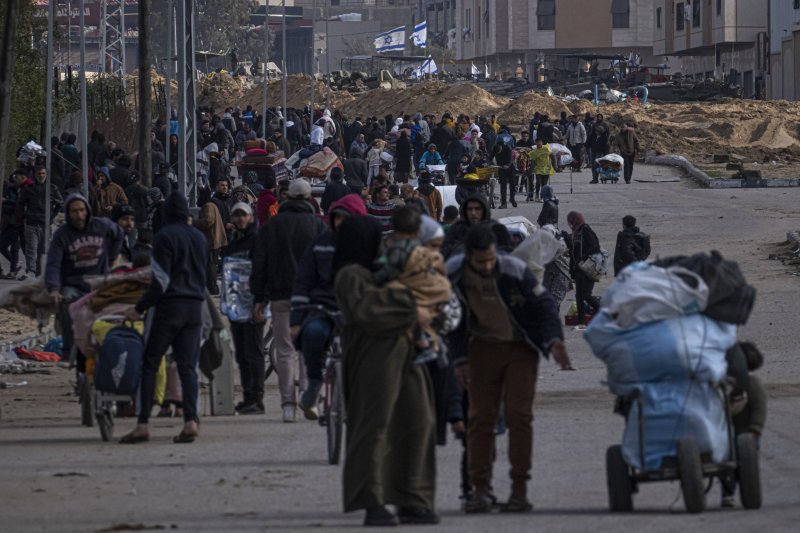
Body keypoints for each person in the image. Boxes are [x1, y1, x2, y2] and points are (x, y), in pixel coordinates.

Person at [447, 224, 571, 513]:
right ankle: (479, 490)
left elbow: (543, 306)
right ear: (467, 256)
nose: (488, 266)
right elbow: (450, 320)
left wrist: (554, 341)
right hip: (481, 349)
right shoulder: (453, 272)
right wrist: (459, 359)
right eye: (481, 262)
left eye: (491, 259)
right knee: (480, 419)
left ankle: (519, 489)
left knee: (519, 416)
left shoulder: (514, 269)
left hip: (520, 349)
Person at [334, 216, 440, 526]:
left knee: (418, 420)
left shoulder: (379, 271)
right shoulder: (349, 274)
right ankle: (372, 500)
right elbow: (369, 310)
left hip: (403, 347)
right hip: (372, 353)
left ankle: (412, 498)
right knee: (374, 425)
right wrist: (411, 306)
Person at [121, 193, 207, 444]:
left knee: (150, 362)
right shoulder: (200, 238)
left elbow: (160, 281)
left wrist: (139, 307)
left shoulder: (165, 237)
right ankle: (190, 421)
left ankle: (143, 423)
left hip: (170, 307)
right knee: (188, 366)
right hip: (195, 307)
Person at [251, 179, 326, 422]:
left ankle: (288, 406)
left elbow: (260, 263)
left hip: (280, 294)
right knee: (308, 348)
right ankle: (308, 396)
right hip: (311, 297)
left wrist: (259, 297)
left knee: (285, 350)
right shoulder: (317, 226)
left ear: (287, 198)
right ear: (307, 199)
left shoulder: (272, 226)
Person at [293, 194, 367, 420]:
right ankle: (315, 383)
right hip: (323, 308)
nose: (340, 223)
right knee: (313, 335)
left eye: (345, 219)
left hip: (356, 310)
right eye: (337, 218)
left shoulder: (366, 246)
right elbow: (303, 280)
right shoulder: (320, 245)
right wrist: (296, 320)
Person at [45, 193, 124, 381]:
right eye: (74, 211)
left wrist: (111, 258)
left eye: (81, 210)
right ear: (68, 213)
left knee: (115, 317)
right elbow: (53, 263)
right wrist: (54, 289)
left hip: (99, 284)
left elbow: (119, 234)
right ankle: (67, 349)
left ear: (87, 210)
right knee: (66, 306)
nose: (78, 215)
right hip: (74, 285)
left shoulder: (101, 225)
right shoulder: (62, 235)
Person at [373, 207, 452, 366]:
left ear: (394, 229)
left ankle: (424, 345)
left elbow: (389, 270)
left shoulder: (398, 249)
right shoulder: (424, 249)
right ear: (418, 231)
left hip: (410, 295)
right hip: (433, 297)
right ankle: (434, 346)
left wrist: (375, 278)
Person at [224, 202, 265, 415]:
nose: (240, 219)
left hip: (253, 305)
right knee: (241, 353)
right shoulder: (233, 244)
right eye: (236, 215)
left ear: (250, 217)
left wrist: (260, 301)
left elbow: (262, 271)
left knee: (254, 352)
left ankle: (257, 398)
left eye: (243, 215)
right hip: (235, 305)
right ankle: (248, 396)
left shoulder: (257, 241)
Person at [16, 166, 64, 279]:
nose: (41, 176)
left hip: (45, 224)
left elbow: (60, 204)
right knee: (31, 249)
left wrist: (51, 216)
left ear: (46, 174)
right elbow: (20, 203)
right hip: (31, 223)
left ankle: (40, 272)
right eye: (39, 173)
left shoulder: (52, 188)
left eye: (43, 173)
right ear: (35, 174)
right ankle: (31, 270)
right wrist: (23, 216)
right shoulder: (28, 188)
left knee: (43, 250)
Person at [441, 193, 510, 259]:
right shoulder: (458, 228)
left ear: (484, 210)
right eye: (470, 209)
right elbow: (445, 251)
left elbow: (507, 253)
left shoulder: (497, 229)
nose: (473, 213)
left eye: (477, 209)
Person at [567, 211, 601, 326]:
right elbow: (573, 252)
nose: (570, 223)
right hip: (578, 270)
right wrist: (571, 270)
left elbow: (595, 246)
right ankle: (581, 322)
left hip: (587, 269)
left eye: (571, 220)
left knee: (586, 295)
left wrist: (583, 258)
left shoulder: (585, 230)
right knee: (579, 297)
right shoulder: (575, 233)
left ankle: (603, 313)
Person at [194, 199, 227, 295]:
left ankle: (212, 287)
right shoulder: (211, 205)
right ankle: (212, 287)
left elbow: (208, 221)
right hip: (213, 240)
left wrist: (194, 222)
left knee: (210, 266)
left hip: (212, 241)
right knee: (211, 265)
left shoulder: (208, 206)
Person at [0, 170, 27, 279]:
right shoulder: (9, 191)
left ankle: (12, 271)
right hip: (8, 223)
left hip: (19, 223)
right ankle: (15, 264)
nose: (14, 183)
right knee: (2, 245)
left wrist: (7, 202)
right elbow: (5, 208)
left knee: (15, 248)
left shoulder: (24, 190)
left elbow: (20, 205)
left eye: (15, 181)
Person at [530, 138, 557, 202]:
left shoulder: (547, 149)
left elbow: (553, 156)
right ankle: (537, 195)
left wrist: (555, 165)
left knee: (544, 184)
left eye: (540, 142)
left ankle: (542, 197)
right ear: (535, 143)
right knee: (538, 182)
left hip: (547, 168)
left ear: (542, 142)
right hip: (538, 169)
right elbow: (533, 162)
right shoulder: (534, 152)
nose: (539, 143)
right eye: (537, 142)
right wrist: (531, 170)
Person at [492, 140, 515, 209]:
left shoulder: (507, 148)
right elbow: (490, 157)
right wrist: (487, 163)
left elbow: (511, 159)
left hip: (510, 168)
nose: (498, 153)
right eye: (497, 153)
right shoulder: (495, 149)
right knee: (503, 186)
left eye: (499, 151)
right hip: (501, 169)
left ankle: (512, 198)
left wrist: (508, 165)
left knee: (512, 185)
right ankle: (504, 203)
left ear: (501, 147)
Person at [588, 114, 610, 184]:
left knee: (595, 164)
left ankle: (601, 177)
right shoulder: (593, 134)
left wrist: (606, 154)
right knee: (593, 165)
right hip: (593, 150)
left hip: (600, 152)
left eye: (600, 117)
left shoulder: (604, 137)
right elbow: (589, 140)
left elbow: (606, 145)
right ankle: (594, 178)